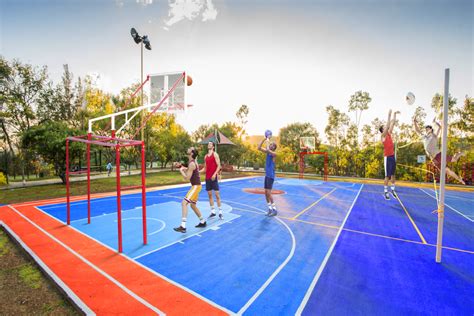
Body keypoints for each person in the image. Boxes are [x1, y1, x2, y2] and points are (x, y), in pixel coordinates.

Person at [413, 117, 465, 185]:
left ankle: (459, 153)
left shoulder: (434, 136)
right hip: (433, 159)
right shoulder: (424, 137)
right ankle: (459, 179)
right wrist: (414, 122)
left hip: (439, 155)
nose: (427, 130)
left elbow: (439, 128)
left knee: (454, 160)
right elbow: (417, 130)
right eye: (426, 130)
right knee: (447, 170)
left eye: (428, 129)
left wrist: (435, 122)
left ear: (431, 130)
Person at [173, 147, 207, 233]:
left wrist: (181, 170)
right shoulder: (192, 161)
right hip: (197, 186)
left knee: (184, 203)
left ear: (191, 153)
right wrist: (181, 166)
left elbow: (187, 178)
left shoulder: (192, 163)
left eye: (190, 149)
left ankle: (183, 226)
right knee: (193, 205)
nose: (188, 148)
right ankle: (202, 221)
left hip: (195, 186)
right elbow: (190, 170)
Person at [199, 141, 223, 219]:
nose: (209, 145)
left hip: (213, 178)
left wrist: (214, 174)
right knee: (210, 195)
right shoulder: (205, 156)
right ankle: (213, 212)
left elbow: (219, 166)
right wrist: (198, 172)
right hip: (207, 178)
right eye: (208, 144)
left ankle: (220, 212)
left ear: (213, 147)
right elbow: (205, 168)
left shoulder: (215, 154)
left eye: (210, 144)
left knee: (217, 195)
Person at [379, 109, 400, 200]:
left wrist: (394, 115)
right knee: (387, 176)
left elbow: (392, 124)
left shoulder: (389, 134)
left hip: (392, 156)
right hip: (387, 157)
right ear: (382, 130)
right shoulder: (383, 136)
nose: (386, 128)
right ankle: (385, 191)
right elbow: (388, 125)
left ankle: (393, 190)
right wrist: (389, 115)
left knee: (393, 175)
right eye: (384, 127)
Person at [258, 136, 278, 216]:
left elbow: (268, 150)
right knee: (266, 193)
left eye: (272, 145)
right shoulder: (268, 152)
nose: (270, 145)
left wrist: (268, 140)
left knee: (269, 193)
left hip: (271, 176)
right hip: (267, 175)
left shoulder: (274, 154)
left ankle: (275, 210)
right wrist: (264, 138)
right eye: (271, 144)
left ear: (274, 148)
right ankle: (269, 208)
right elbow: (259, 147)